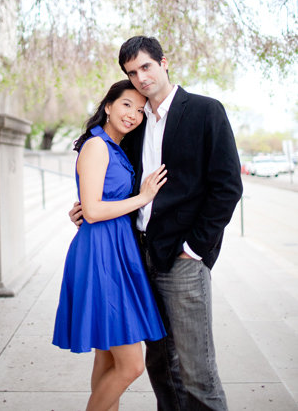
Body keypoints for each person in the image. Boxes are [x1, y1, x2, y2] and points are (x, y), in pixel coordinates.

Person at [69, 36, 243, 411]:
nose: (141, 77)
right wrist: (86, 206)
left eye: (146, 66)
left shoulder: (204, 111)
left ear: (164, 62)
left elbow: (227, 186)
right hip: (135, 257)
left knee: (198, 369)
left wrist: (195, 248)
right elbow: (114, 182)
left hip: (181, 258)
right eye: (132, 72)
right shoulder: (136, 125)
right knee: (160, 364)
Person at [53, 80, 167, 411]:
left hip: (116, 249)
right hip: (101, 255)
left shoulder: (115, 147)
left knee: (107, 359)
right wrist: (142, 197)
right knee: (132, 365)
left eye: (140, 109)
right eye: (126, 104)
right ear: (108, 106)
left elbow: (89, 206)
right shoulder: (97, 146)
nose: (133, 114)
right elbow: (92, 210)